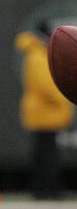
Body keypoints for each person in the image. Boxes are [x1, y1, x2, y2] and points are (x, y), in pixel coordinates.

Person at [15, 20, 74, 199]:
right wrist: (64, 98)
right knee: (48, 156)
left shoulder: (36, 54)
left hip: (42, 112)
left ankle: (44, 189)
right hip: (45, 112)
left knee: (44, 154)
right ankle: (48, 190)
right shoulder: (37, 56)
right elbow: (46, 86)